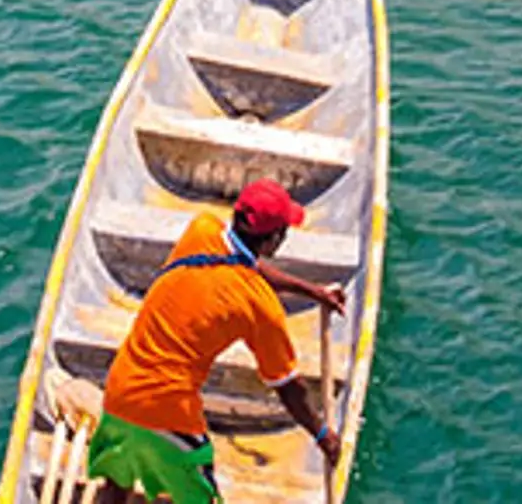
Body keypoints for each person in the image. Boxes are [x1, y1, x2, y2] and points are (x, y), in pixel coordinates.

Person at [85, 179, 345, 504]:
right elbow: (289, 388)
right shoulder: (260, 306)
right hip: (169, 414)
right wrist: (323, 436)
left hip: (118, 393)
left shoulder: (202, 230)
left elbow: (242, 261)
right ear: (274, 239)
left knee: (115, 486)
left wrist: (312, 291)